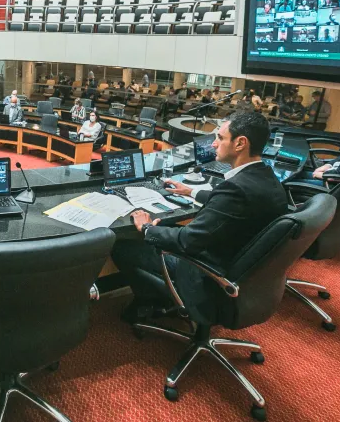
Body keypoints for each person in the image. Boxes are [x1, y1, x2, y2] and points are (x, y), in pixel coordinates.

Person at [112, 113, 289, 322]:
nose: (214, 144)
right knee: (170, 228)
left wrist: (148, 228)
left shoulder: (235, 189)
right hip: (244, 274)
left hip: (207, 277)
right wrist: (191, 192)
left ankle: (150, 302)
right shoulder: (267, 178)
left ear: (240, 143)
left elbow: (187, 241)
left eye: (221, 138)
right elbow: (233, 206)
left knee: (124, 245)